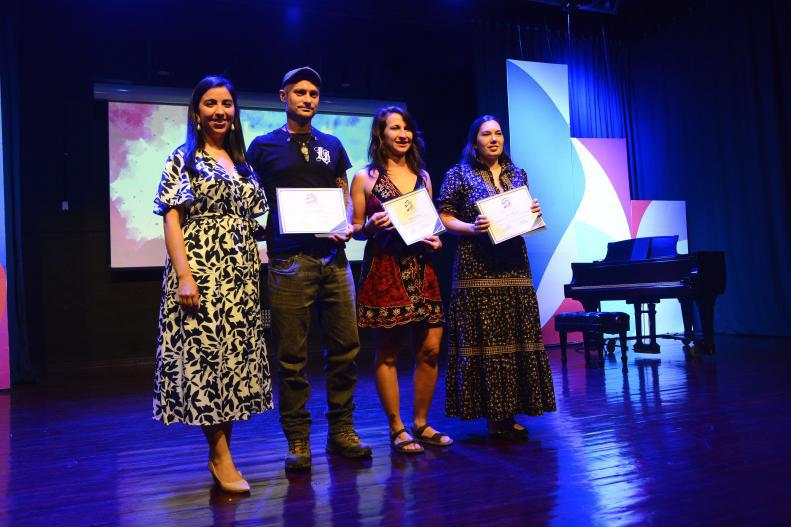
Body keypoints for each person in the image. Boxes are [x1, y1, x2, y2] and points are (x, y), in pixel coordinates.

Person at [246, 66, 371, 471]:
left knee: (345, 351)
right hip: (288, 261)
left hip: (334, 261)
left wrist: (348, 223)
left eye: (314, 93)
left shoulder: (332, 145)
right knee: (292, 358)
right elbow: (252, 202)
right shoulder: (262, 147)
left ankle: (342, 431)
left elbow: (342, 193)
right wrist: (264, 229)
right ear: (283, 97)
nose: (307, 99)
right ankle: (298, 440)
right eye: (299, 92)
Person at [152, 75, 272, 492]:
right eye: (210, 103)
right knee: (206, 364)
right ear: (197, 112)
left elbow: (254, 220)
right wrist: (184, 274)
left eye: (226, 103)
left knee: (231, 367)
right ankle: (222, 458)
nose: (219, 110)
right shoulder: (183, 158)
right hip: (200, 274)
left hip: (241, 279)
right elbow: (171, 219)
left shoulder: (243, 164)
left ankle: (222, 454)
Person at [437, 115, 556, 439]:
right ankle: (494, 415)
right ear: (474, 140)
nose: (494, 139)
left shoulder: (517, 173)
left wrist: (532, 213)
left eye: (499, 133)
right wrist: (471, 228)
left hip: (514, 266)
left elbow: (520, 217)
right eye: (486, 134)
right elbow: (444, 217)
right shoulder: (458, 174)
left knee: (515, 337)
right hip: (477, 267)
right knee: (487, 341)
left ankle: (510, 413)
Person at [350, 106, 450, 454]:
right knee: (389, 353)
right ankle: (396, 427)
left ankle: (421, 424)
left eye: (407, 127)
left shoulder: (423, 176)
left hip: (422, 270)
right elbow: (356, 230)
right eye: (395, 128)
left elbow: (429, 224)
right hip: (385, 269)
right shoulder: (366, 177)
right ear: (381, 134)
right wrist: (370, 227)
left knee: (432, 349)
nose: (403, 134)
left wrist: (436, 239)